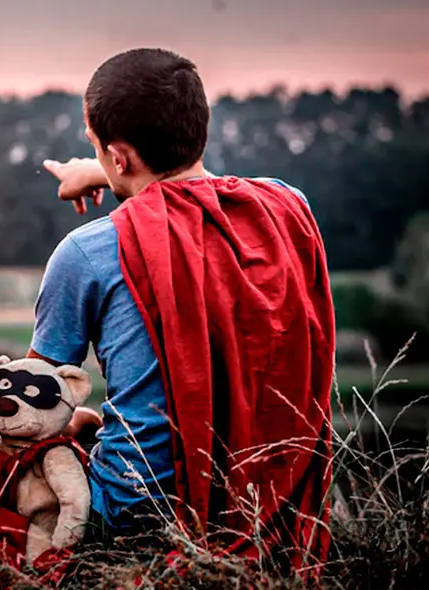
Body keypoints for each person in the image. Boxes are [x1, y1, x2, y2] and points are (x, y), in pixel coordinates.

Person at [32, 48, 335, 570]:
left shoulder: (87, 252)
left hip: (136, 512)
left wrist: (82, 420)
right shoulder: (288, 209)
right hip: (272, 505)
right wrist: (104, 170)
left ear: (119, 155)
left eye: (98, 147)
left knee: (5, 470)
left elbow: (34, 403)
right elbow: (186, 189)